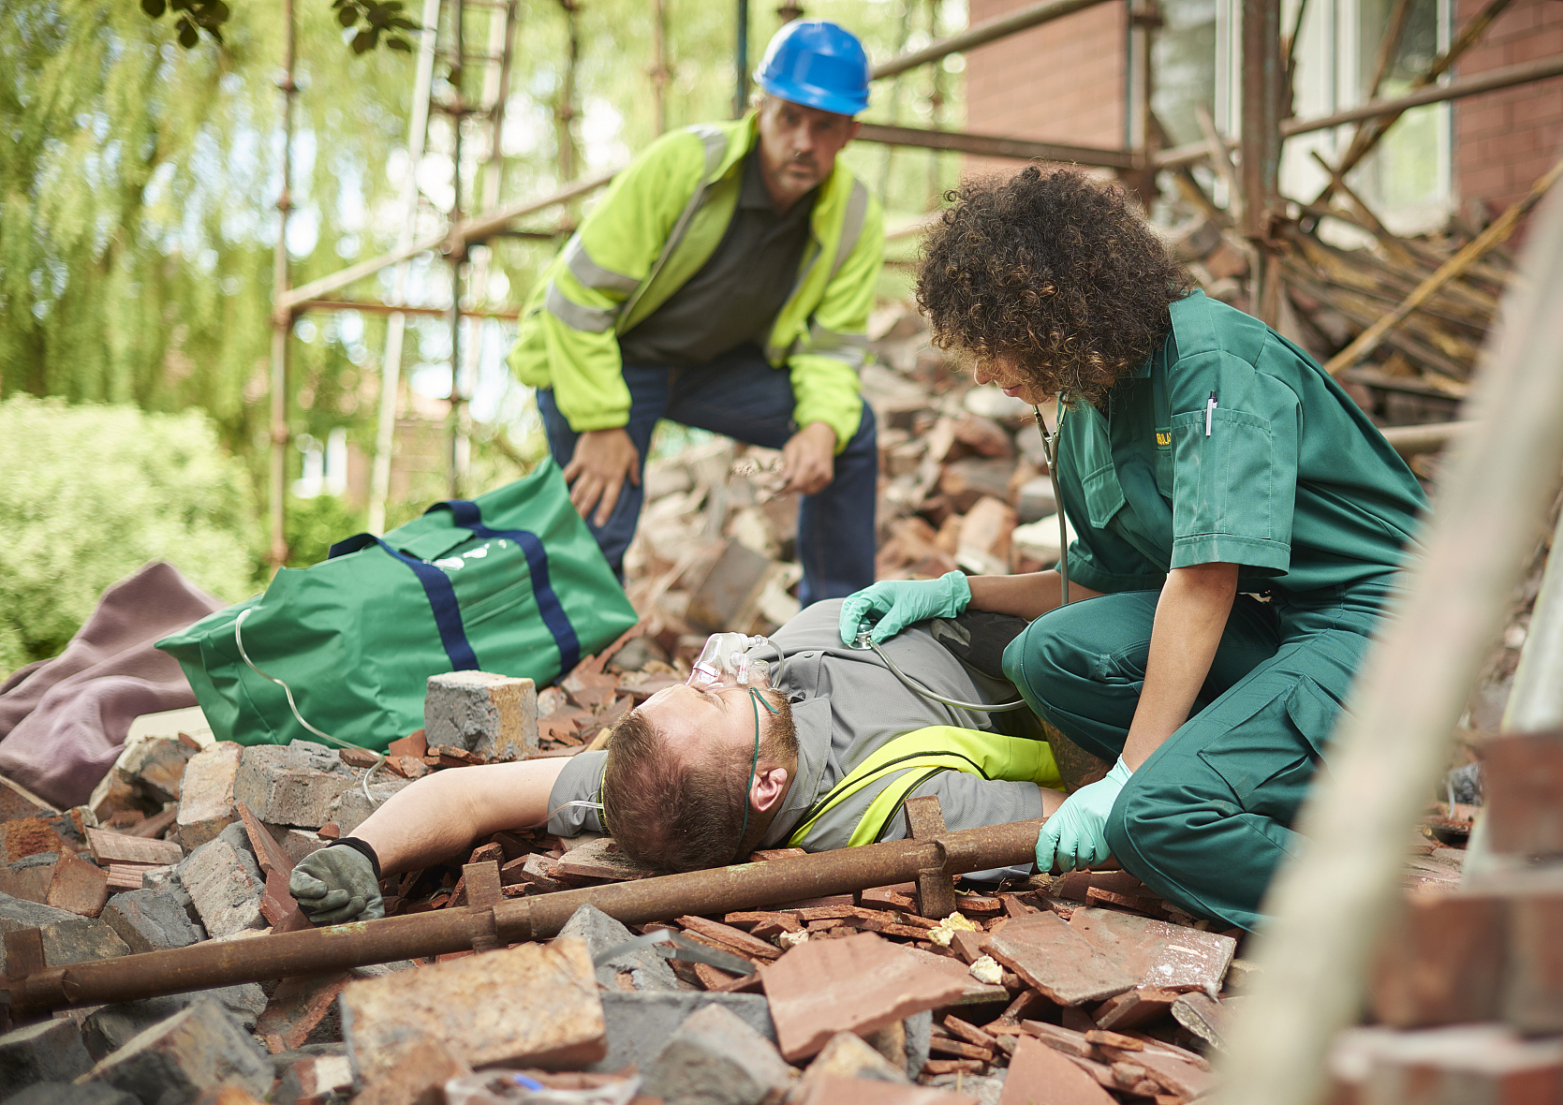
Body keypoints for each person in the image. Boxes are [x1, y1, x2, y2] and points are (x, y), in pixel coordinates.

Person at [840, 166, 1432, 931]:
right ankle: (1256, 797)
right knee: (1045, 654)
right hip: (1279, 624)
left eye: (993, 345)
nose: (983, 374)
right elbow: (1100, 583)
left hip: (1383, 626)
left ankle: (1413, 930)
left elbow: (1204, 580)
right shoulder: (1090, 405)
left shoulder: (1211, 367)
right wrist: (957, 590)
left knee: (1153, 818)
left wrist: (1129, 773)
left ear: (1052, 306)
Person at [287, 602, 1066, 925]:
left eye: (692, 686)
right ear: (768, 783)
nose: (723, 675)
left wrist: (361, 853)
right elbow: (1080, 818)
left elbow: (467, 796)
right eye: (717, 698)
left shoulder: (651, 783)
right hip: (1030, 646)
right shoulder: (896, 806)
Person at [506, 20, 885, 605]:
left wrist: (819, 426)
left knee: (848, 430)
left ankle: (839, 621)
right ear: (760, 108)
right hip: (607, 362)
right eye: (789, 118)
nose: (803, 141)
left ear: (850, 132)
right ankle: (575, 647)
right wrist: (602, 422)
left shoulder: (855, 215)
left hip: (714, 371)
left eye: (824, 126)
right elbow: (577, 300)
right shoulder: (683, 165)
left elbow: (832, 346)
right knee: (598, 527)